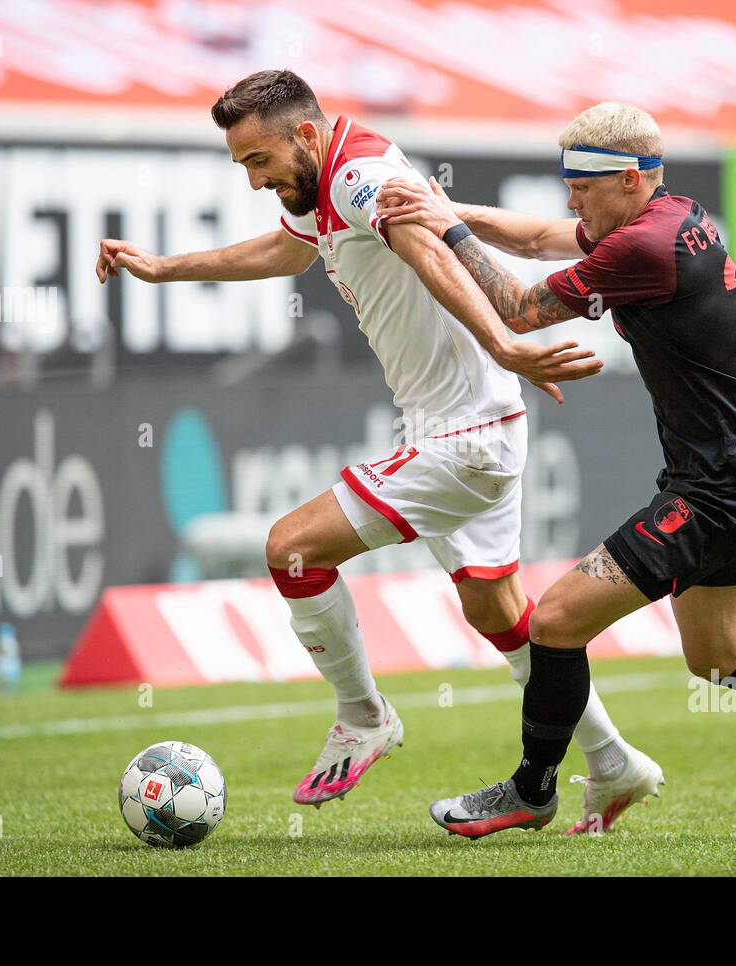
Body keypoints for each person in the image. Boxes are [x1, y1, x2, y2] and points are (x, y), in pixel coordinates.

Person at [97, 72, 663, 831]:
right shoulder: (325, 184)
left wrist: (504, 338)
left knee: (292, 548)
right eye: (243, 168)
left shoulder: (360, 175)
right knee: (501, 615)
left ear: (304, 134)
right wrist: (167, 267)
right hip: (472, 425)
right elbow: (289, 251)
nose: (257, 182)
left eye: (259, 162)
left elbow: (424, 244)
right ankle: (613, 760)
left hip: (463, 436)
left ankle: (363, 714)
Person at [375, 101, 736, 839]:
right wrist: (447, 204)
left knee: (553, 620)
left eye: (583, 184)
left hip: (717, 487)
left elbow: (517, 308)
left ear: (634, 178)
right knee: (722, 657)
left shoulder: (645, 249)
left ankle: (531, 790)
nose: (570, 198)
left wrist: (440, 228)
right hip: (735, 467)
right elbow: (547, 236)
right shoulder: (669, 217)